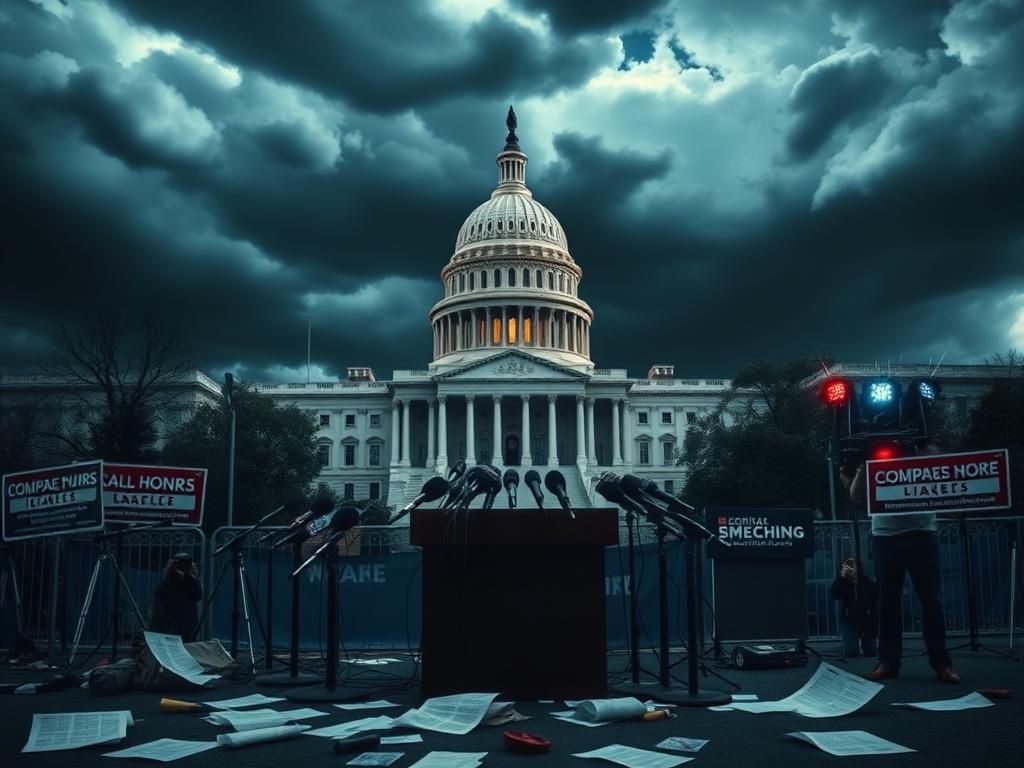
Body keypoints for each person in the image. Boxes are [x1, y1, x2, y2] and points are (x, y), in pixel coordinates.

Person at [841, 458, 959, 683]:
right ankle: (888, 662)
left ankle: (941, 663)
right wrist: (865, 465)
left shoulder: (921, 453)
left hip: (922, 533)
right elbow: (856, 496)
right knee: (887, 602)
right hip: (886, 537)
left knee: (931, 601)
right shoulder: (871, 457)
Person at [830, 556, 878, 657]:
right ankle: (851, 644)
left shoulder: (864, 581)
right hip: (849, 619)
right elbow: (834, 595)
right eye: (847, 566)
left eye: (852, 566)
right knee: (851, 653)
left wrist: (858, 581)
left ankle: (866, 644)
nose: (850, 569)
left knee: (871, 652)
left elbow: (875, 595)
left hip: (866, 619)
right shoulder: (843, 581)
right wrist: (842, 578)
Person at [148, 552, 202, 641]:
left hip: (187, 621)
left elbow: (197, 595)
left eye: (187, 563)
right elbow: (159, 593)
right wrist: (170, 571)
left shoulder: (192, 578)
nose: (184, 565)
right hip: (168, 621)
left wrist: (188, 575)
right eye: (180, 562)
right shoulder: (169, 577)